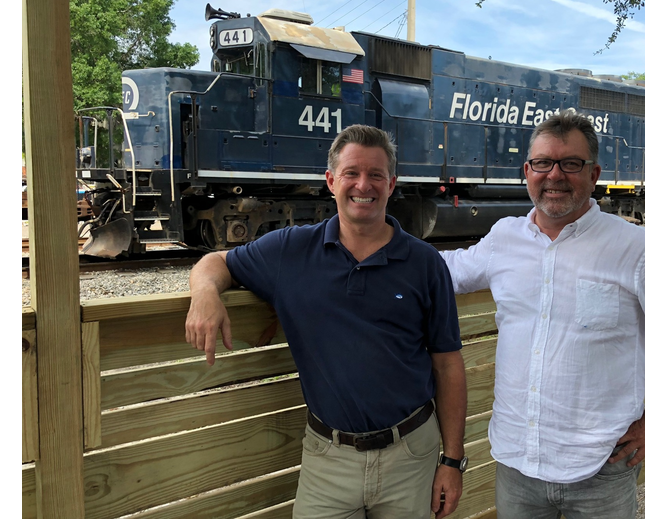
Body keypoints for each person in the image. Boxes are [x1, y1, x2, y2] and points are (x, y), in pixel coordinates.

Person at [441, 112, 645, 519]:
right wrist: (371, 243)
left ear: (594, 173)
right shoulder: (503, 238)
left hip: (603, 466)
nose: (554, 175)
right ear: (527, 171)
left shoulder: (636, 248)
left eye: (571, 163)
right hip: (518, 462)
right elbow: (442, 271)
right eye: (542, 163)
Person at [185, 125, 468, 519]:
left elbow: (448, 364)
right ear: (331, 181)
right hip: (328, 457)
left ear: (392, 184)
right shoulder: (290, 250)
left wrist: (452, 462)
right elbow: (214, 262)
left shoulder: (425, 264)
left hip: (412, 454)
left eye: (376, 175)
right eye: (351, 173)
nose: (363, 185)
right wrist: (204, 294)